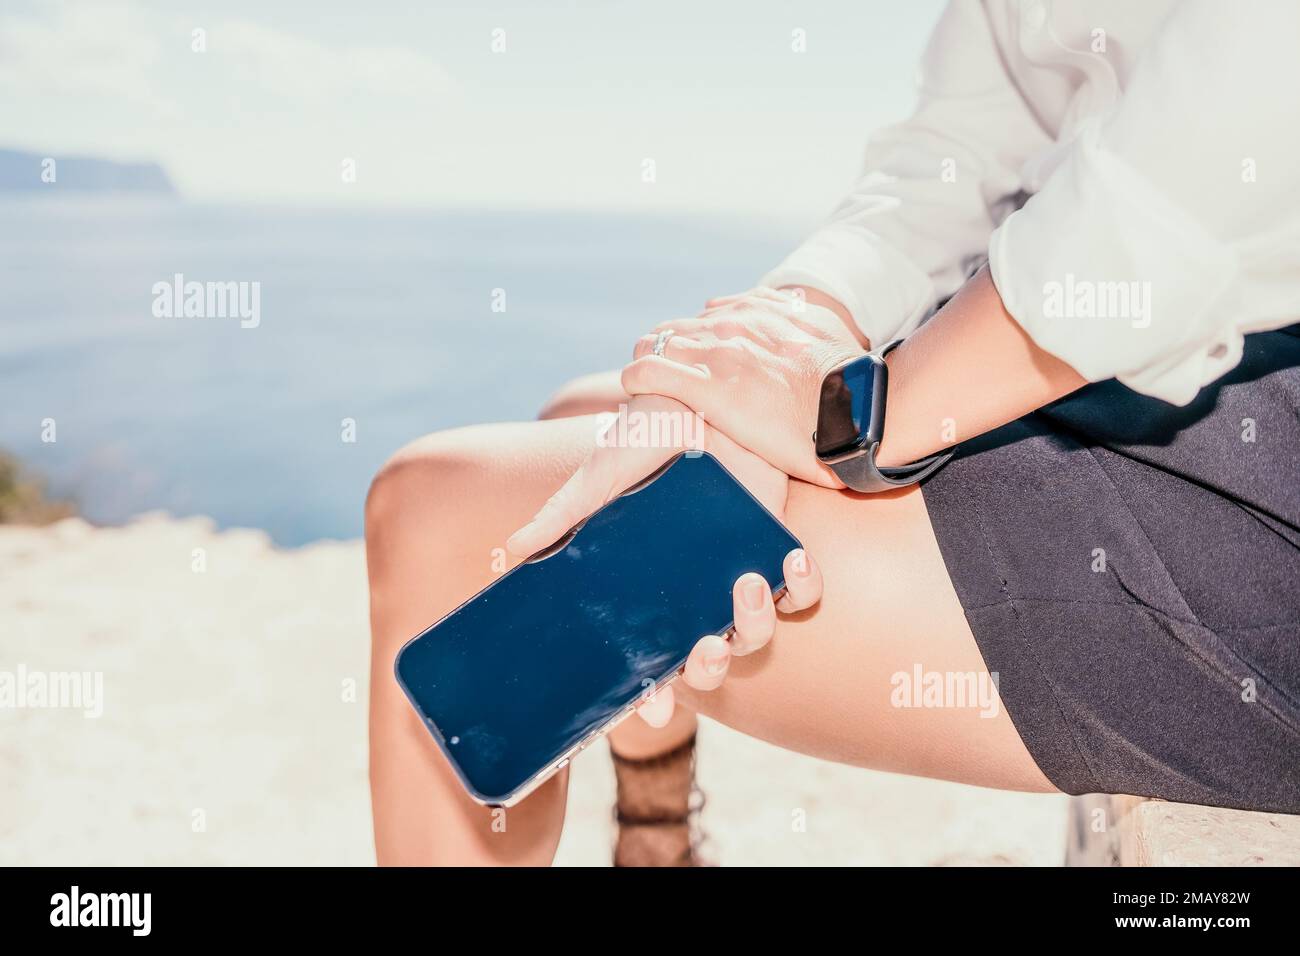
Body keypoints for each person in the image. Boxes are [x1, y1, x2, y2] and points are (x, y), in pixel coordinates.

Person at [366, 0, 1300, 865]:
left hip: (1251, 425)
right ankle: (656, 834)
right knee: (596, 429)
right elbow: (951, 159)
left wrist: (864, 414)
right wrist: (774, 338)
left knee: (442, 522)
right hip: (1128, 357)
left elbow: (1197, 171)